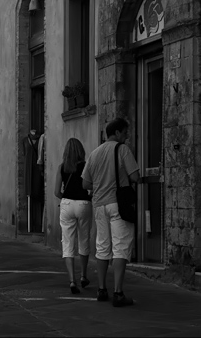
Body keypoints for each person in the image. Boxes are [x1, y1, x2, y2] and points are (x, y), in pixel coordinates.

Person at [81, 118, 140, 307]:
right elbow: (135, 176)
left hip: (99, 205)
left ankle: (101, 289)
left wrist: (99, 184)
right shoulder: (122, 150)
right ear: (116, 133)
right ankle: (118, 292)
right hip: (117, 203)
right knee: (121, 246)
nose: (127, 136)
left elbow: (85, 183)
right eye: (124, 133)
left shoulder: (94, 153)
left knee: (102, 247)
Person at [54, 138, 92, 295]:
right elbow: (91, 186)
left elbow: (56, 192)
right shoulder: (86, 166)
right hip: (83, 204)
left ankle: (72, 280)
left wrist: (66, 198)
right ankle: (83, 276)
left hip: (67, 204)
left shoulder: (62, 167)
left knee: (68, 243)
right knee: (84, 240)